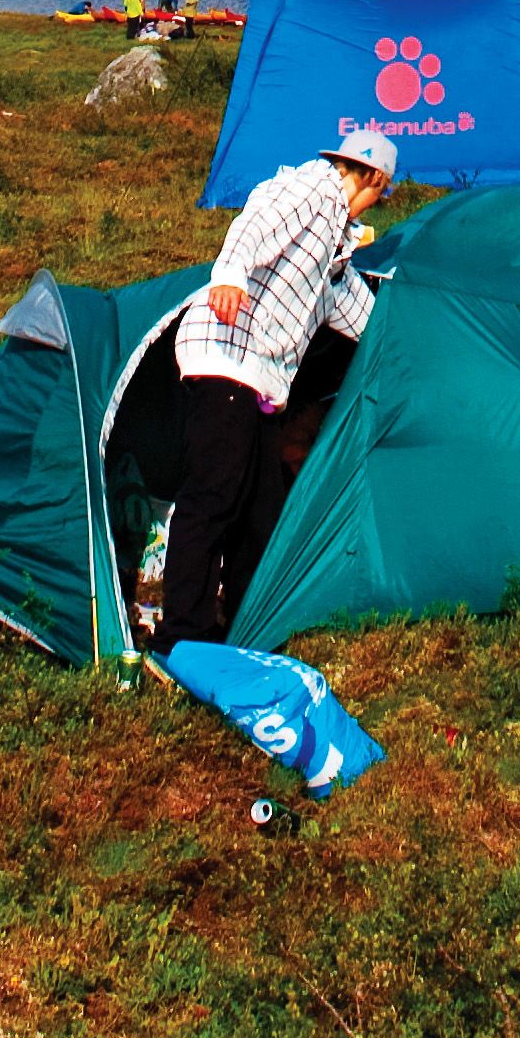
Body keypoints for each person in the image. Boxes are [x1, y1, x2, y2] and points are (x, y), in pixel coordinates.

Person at [158, 121, 399, 648]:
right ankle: (183, 634)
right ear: (374, 180)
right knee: (213, 496)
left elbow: (355, 312)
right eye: (380, 195)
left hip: (262, 381)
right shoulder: (312, 188)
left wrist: (403, 349)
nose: (373, 208)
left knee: (259, 507)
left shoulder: (335, 245)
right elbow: (257, 222)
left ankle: (244, 628)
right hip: (227, 355)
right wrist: (229, 275)